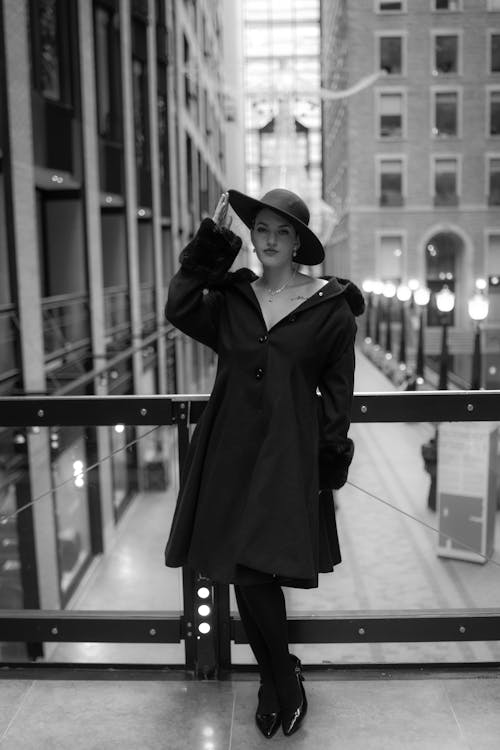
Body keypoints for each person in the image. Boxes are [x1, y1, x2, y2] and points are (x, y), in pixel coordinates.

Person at [164, 188, 365, 738]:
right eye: (261, 230)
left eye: (282, 231)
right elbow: (179, 306)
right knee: (241, 571)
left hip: (286, 456)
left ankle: (279, 675)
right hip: (228, 451)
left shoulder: (331, 309)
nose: (270, 240)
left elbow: (338, 397)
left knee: (254, 571)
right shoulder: (232, 298)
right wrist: (213, 242)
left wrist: (329, 462)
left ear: (299, 241)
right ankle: (280, 675)